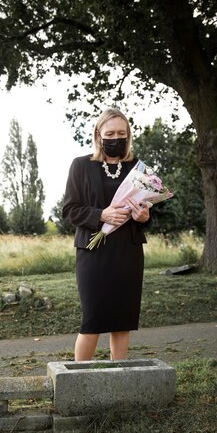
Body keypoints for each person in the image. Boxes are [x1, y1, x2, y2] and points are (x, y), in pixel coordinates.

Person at [62, 107, 150, 362]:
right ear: (98, 134)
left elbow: (146, 212)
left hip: (128, 253)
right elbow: (69, 210)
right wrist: (102, 215)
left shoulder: (137, 168)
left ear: (128, 135)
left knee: (122, 321)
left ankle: (119, 380)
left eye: (121, 133)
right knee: (93, 320)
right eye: (110, 133)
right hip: (93, 252)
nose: (116, 137)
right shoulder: (81, 165)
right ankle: (78, 382)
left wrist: (144, 217)